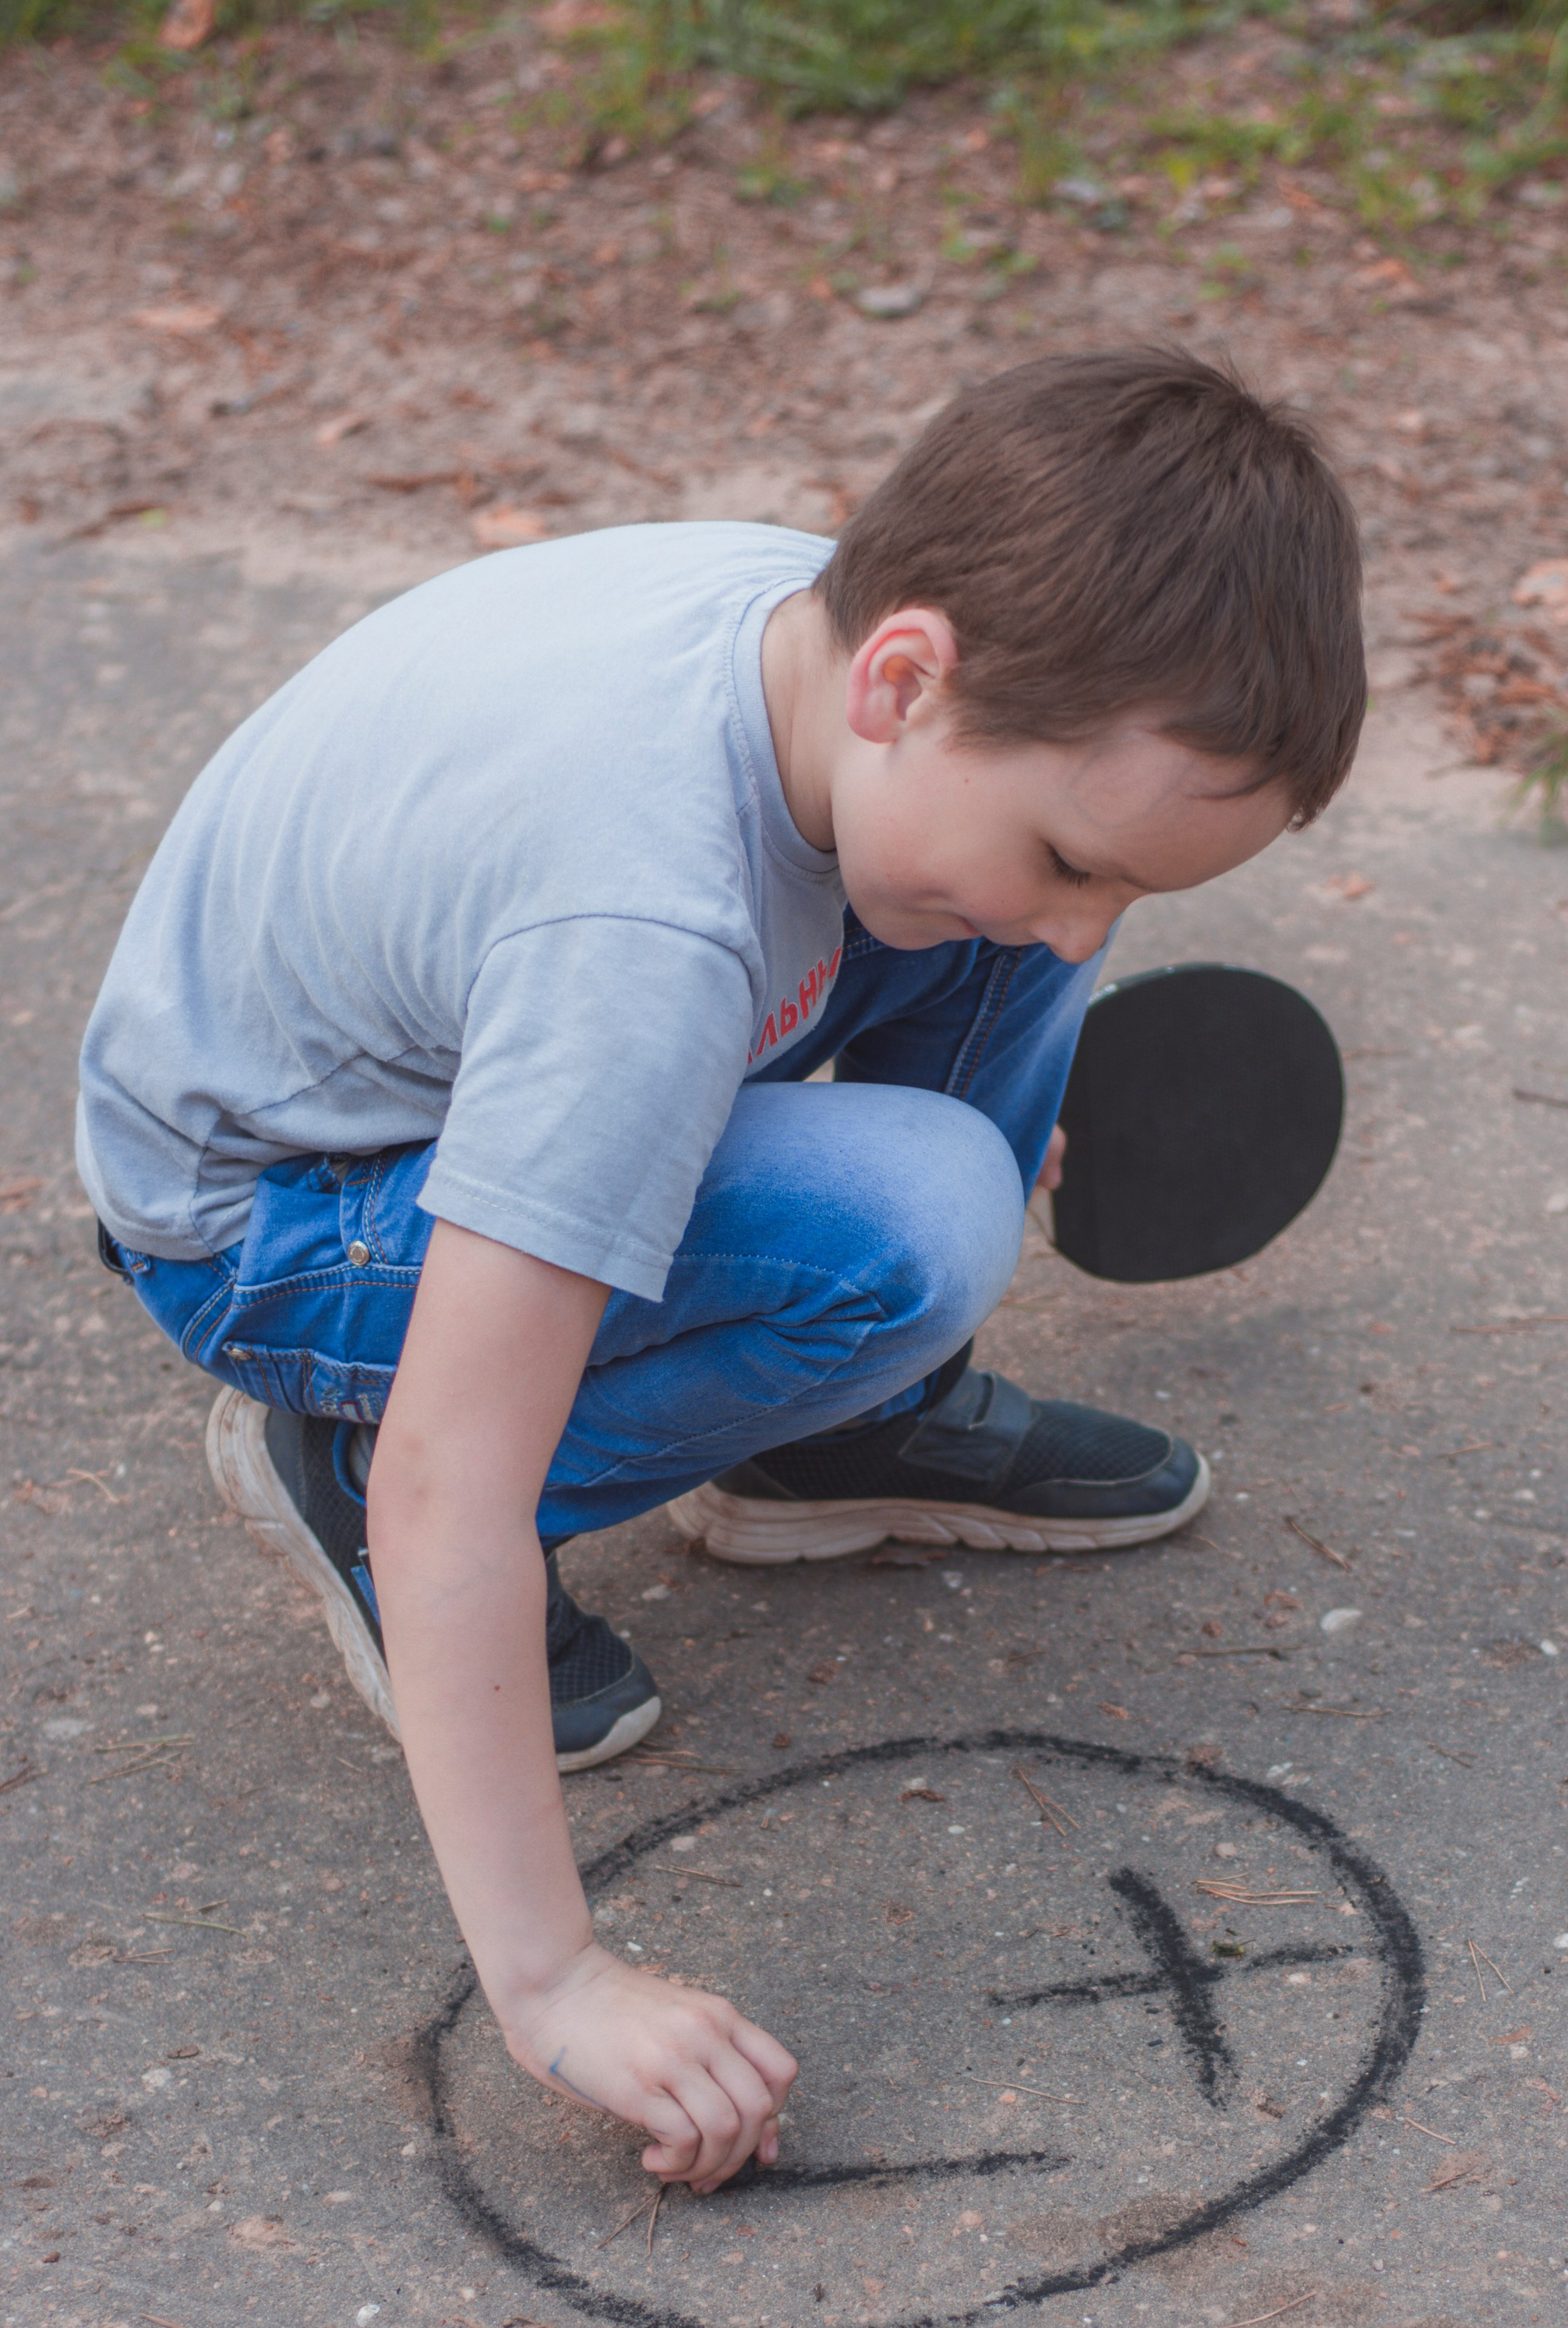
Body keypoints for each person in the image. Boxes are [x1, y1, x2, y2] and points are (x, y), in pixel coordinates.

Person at [75, 346, 1365, 2199]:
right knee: (916, 1218)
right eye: (1081, 856)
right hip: (272, 1218)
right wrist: (551, 1982)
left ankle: (831, 1426)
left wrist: (1030, 924)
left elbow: (988, 887)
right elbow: (471, 1475)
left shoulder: (855, 646)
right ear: (902, 676)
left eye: (1137, 891)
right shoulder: (647, 926)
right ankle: (323, 1467)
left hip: (440, 1066)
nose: (1095, 923)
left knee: (986, 938)